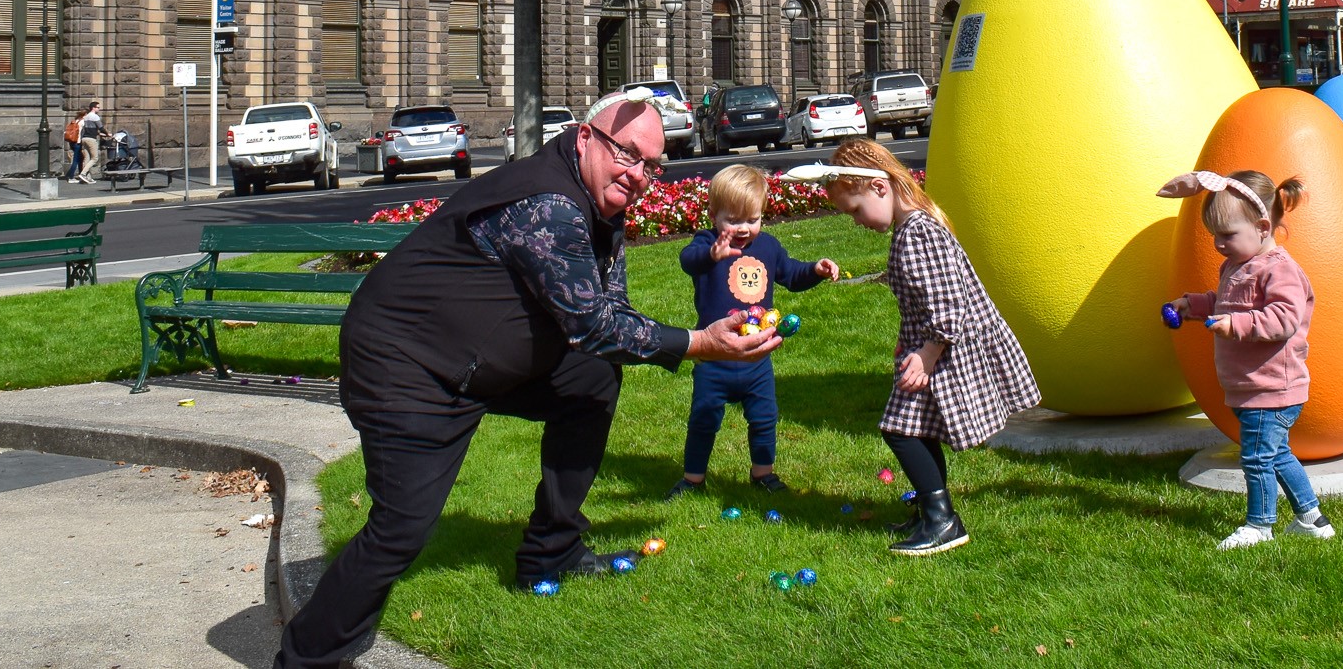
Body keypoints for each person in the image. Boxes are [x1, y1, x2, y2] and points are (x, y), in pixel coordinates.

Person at [273, 91, 777, 669]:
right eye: (628, 155)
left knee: (591, 379)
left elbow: (611, 317)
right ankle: (305, 660)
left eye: (651, 166)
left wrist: (697, 335)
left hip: (477, 362)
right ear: (587, 139)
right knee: (400, 531)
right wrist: (701, 344)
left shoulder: (600, 209)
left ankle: (551, 552)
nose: (639, 176)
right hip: (405, 365)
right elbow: (594, 323)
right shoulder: (550, 204)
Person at [799, 139, 1038, 556]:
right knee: (917, 429)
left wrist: (926, 354)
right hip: (931, 346)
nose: (855, 221)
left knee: (900, 430)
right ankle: (932, 511)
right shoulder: (913, 226)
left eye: (854, 210)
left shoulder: (917, 234)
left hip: (944, 350)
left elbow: (948, 304)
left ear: (879, 188)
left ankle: (943, 519)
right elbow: (921, 298)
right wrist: (906, 339)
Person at [1158, 167, 1336, 550]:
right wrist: (1192, 305)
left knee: (1255, 460)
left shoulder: (1280, 270)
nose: (1218, 244)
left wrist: (1235, 324)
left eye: (1227, 235)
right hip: (1249, 385)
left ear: (1260, 226)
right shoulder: (1237, 265)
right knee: (1277, 454)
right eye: (1214, 236)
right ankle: (1312, 518)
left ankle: (1259, 525)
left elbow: (1283, 319)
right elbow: (1226, 303)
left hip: (1272, 386)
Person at [668, 164, 839, 499]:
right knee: (703, 419)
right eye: (734, 220)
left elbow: (791, 274)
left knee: (764, 418)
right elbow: (688, 260)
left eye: (753, 219)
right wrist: (712, 254)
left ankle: (763, 473)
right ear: (713, 215)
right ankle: (693, 478)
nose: (744, 229)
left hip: (756, 359)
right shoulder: (705, 243)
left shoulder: (768, 248)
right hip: (714, 356)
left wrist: (815, 271)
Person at [74, 100, 104, 183]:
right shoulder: (95, 116)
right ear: (93, 108)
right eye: (98, 107)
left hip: (84, 139)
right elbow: (101, 127)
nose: (99, 109)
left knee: (87, 158)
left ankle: (87, 177)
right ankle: (83, 174)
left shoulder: (86, 117)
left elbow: (88, 128)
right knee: (95, 158)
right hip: (91, 139)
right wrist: (107, 133)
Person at [62, 110, 84, 180]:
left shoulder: (76, 120)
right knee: (76, 160)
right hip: (78, 142)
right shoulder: (83, 122)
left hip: (72, 142)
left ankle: (81, 174)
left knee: (80, 159)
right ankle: (70, 176)